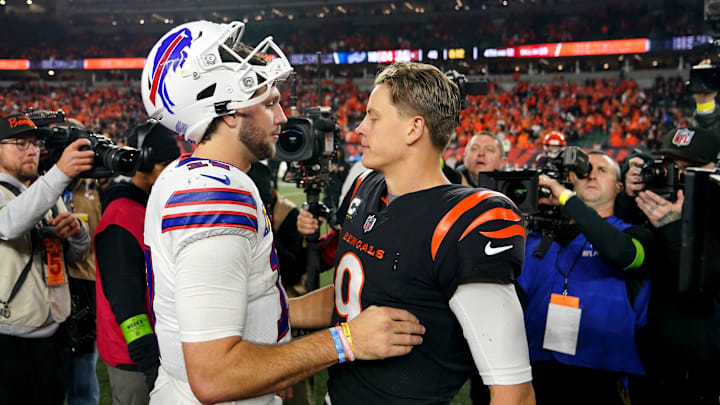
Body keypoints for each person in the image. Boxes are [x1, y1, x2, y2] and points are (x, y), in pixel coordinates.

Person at [140, 20, 425, 405]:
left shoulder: (186, 176)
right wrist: (348, 342)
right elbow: (214, 376)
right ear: (228, 111)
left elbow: (252, 307)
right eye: (270, 102)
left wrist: (354, 300)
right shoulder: (214, 197)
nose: (283, 117)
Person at [298, 62, 535, 404]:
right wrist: (277, 309)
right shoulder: (366, 187)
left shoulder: (467, 220)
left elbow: (514, 392)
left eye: (374, 117)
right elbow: (353, 296)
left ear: (414, 129)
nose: (359, 130)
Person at [517, 151, 654, 405]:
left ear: (619, 186)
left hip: (602, 370)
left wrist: (567, 199)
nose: (591, 175)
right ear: (572, 181)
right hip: (536, 365)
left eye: (602, 171)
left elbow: (619, 252)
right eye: (585, 171)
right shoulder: (541, 237)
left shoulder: (636, 235)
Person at [618, 127, 720, 405]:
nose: (679, 176)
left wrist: (674, 228)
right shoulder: (656, 201)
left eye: (692, 168)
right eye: (673, 165)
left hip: (699, 362)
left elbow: (703, 286)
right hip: (649, 352)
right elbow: (623, 248)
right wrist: (629, 197)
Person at [0, 112, 94, 405]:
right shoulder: (47, 186)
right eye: (19, 143)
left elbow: (74, 255)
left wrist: (77, 233)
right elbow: (10, 224)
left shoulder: (44, 189)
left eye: (35, 143)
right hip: (8, 337)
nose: (32, 150)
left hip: (54, 330)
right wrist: (59, 174)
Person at [94, 121, 181, 405]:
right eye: (167, 164)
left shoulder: (145, 207)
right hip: (135, 361)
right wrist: (148, 364)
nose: (173, 172)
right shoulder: (121, 218)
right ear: (143, 165)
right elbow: (126, 302)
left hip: (158, 350)